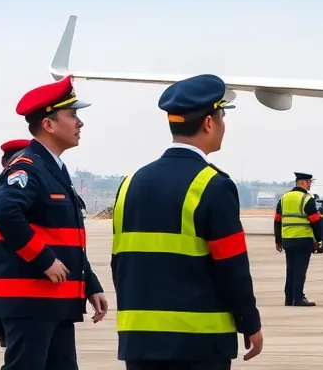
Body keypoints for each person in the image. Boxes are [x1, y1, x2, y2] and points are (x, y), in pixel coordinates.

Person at [110, 73, 264, 369]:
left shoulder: (130, 184)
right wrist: (249, 321)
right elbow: (232, 267)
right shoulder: (212, 185)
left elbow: (121, 262)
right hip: (199, 343)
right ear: (209, 122)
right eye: (221, 117)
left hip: (139, 341)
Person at [0, 76, 108, 370]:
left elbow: (64, 237)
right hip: (31, 298)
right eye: (72, 115)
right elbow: (4, 211)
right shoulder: (27, 167)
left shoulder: (53, 168)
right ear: (49, 124)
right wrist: (43, 259)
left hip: (56, 297)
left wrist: (89, 283)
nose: (80, 123)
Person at [274, 172, 321, 307]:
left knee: (291, 269)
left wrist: (278, 239)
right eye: (309, 181)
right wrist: (319, 239)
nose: (310, 184)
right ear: (302, 183)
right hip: (303, 239)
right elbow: (315, 220)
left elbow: (277, 220)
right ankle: (298, 297)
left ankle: (289, 298)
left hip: (288, 239)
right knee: (300, 269)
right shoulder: (307, 199)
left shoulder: (284, 198)